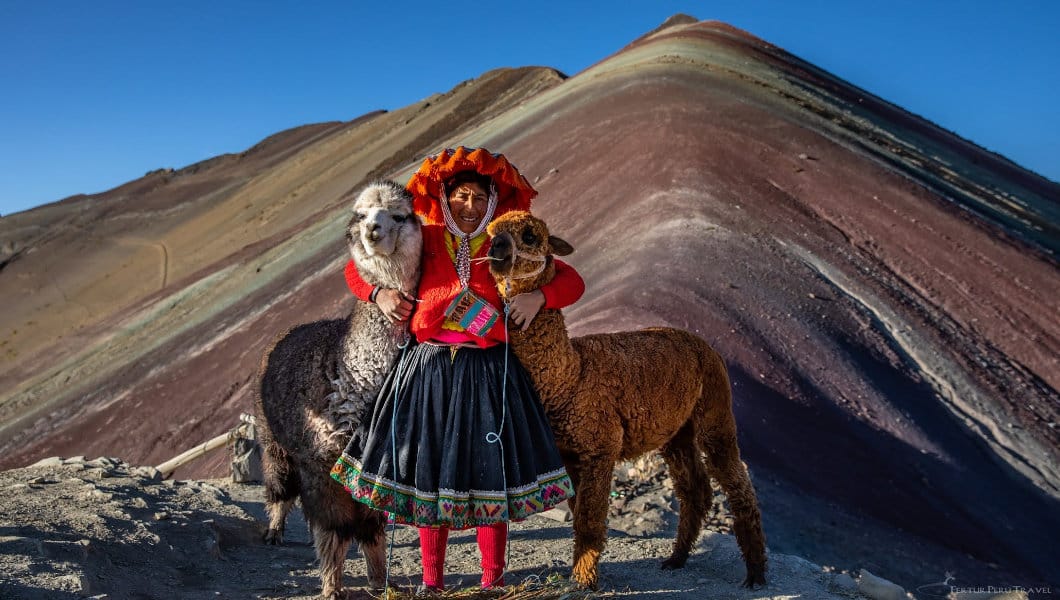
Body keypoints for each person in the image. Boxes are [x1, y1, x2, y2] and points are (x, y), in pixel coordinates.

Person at [331, 147, 583, 592]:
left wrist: (538, 297)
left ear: (492, 202)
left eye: (479, 198)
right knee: (430, 473)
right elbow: (358, 269)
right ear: (446, 198)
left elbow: (569, 279)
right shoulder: (421, 238)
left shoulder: (506, 242)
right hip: (427, 369)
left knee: (492, 473)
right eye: (461, 196)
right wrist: (379, 296)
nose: (470, 206)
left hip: (488, 369)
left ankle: (493, 582)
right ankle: (432, 584)